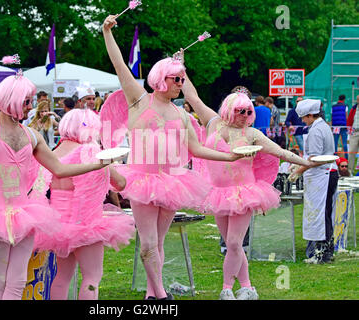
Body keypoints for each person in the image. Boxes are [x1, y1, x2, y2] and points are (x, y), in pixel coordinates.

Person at [0, 60, 116, 300]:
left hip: (25, 215)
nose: (30, 105)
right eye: (26, 101)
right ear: (11, 99)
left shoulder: (31, 136)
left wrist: (99, 164)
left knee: (18, 281)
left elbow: (59, 168)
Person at [102, 15, 243, 300]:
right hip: (142, 179)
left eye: (182, 79)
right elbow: (119, 66)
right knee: (148, 244)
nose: (180, 83)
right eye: (176, 79)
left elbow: (196, 149)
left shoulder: (181, 114)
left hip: (173, 180)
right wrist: (107, 32)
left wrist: (229, 157)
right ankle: (162, 295)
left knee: (159, 242)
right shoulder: (139, 100)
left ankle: (152, 296)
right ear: (161, 79)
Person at [182, 67, 313, 300]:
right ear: (229, 109)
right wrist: (179, 68)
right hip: (218, 192)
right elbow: (192, 96)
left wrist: (306, 162)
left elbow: (280, 152)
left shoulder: (252, 134)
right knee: (232, 246)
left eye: (248, 111)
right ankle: (248, 287)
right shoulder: (214, 123)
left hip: (244, 193)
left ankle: (225, 289)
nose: (244, 114)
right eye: (239, 110)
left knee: (233, 242)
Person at [35, 108, 135, 300]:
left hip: (58, 226)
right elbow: (120, 183)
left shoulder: (53, 152)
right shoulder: (89, 152)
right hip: (87, 224)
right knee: (91, 278)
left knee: (62, 277)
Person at [290, 99, 339, 265]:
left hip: (322, 175)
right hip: (327, 173)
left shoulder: (316, 130)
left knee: (320, 215)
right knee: (324, 213)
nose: (303, 121)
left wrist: (298, 170)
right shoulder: (323, 126)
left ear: (311, 115)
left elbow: (316, 159)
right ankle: (327, 251)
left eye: (304, 118)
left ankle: (321, 254)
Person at [331, 94, 349, 159]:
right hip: (343, 126)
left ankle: (334, 158)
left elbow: (331, 116)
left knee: (335, 143)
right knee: (344, 143)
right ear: (344, 99)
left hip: (335, 126)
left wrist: (332, 126)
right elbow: (346, 116)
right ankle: (346, 157)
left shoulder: (333, 106)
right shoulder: (345, 106)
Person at [346, 95, 359, 174]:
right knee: (351, 152)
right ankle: (349, 171)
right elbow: (350, 120)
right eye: (357, 99)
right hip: (355, 132)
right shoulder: (354, 108)